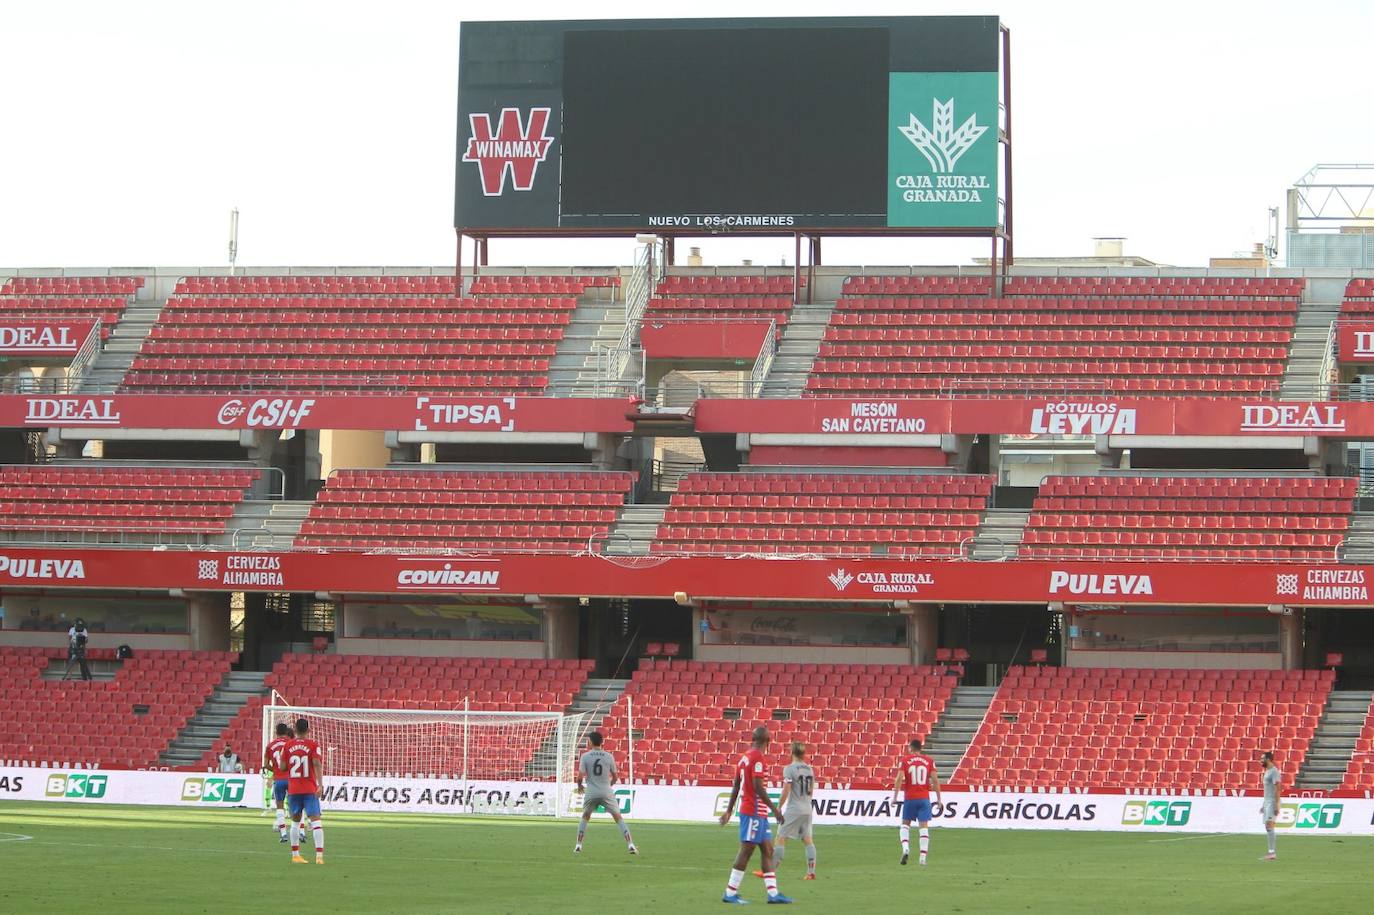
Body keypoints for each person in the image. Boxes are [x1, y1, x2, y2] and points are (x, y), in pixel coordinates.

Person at [717, 726, 792, 905]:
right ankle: (730, 892)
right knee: (746, 850)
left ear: (752, 738)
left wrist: (729, 810)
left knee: (767, 850)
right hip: (753, 812)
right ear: (769, 742)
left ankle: (773, 894)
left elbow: (736, 785)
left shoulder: (744, 758)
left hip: (758, 813)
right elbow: (758, 787)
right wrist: (775, 810)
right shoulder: (758, 758)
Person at [756, 741, 817, 880]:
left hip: (794, 809)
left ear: (792, 753)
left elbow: (786, 789)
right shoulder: (809, 769)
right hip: (807, 808)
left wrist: (778, 807)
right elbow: (811, 791)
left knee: (780, 838)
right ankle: (811, 872)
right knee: (808, 840)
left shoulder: (789, 769)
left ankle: (769, 872)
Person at [573, 731, 636, 855]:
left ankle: (578, 845)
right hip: (606, 791)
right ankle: (630, 844)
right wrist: (609, 785)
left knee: (585, 817)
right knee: (618, 817)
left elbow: (579, 777)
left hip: (591, 791)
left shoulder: (585, 756)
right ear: (601, 742)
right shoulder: (609, 756)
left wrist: (580, 786)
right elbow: (615, 776)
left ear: (590, 742)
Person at [893, 736, 942, 866]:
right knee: (924, 827)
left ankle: (905, 849)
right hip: (924, 798)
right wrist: (938, 799)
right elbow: (935, 781)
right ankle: (922, 857)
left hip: (910, 798)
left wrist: (895, 797)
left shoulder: (905, 761)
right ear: (920, 749)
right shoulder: (929, 761)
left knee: (905, 825)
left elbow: (898, 779)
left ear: (911, 748)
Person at [283, 718, 325, 865]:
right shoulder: (313, 745)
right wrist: (320, 784)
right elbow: (316, 763)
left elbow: (282, 766)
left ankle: (295, 855)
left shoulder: (287, 746)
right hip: (309, 789)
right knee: (316, 821)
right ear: (308, 730)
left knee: (295, 822)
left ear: (295, 730)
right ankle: (319, 857)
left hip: (294, 789)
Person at [263, 723, 295, 842]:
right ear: (286, 731)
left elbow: (266, 765)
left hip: (278, 779)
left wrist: (276, 770)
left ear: (276, 732)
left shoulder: (270, 746)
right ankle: (300, 832)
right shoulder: (291, 743)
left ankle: (283, 834)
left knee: (279, 806)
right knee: (295, 806)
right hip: (291, 779)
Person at [1260, 750, 1281, 861]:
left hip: (1272, 802)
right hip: (1268, 801)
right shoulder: (1267, 771)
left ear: (1268, 759)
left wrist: (1276, 805)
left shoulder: (1274, 772)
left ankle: (1272, 853)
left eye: (1262, 758)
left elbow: (1278, 789)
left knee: (1269, 826)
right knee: (1268, 827)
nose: (1260, 760)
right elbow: (1267, 790)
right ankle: (1271, 852)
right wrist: (1264, 804)